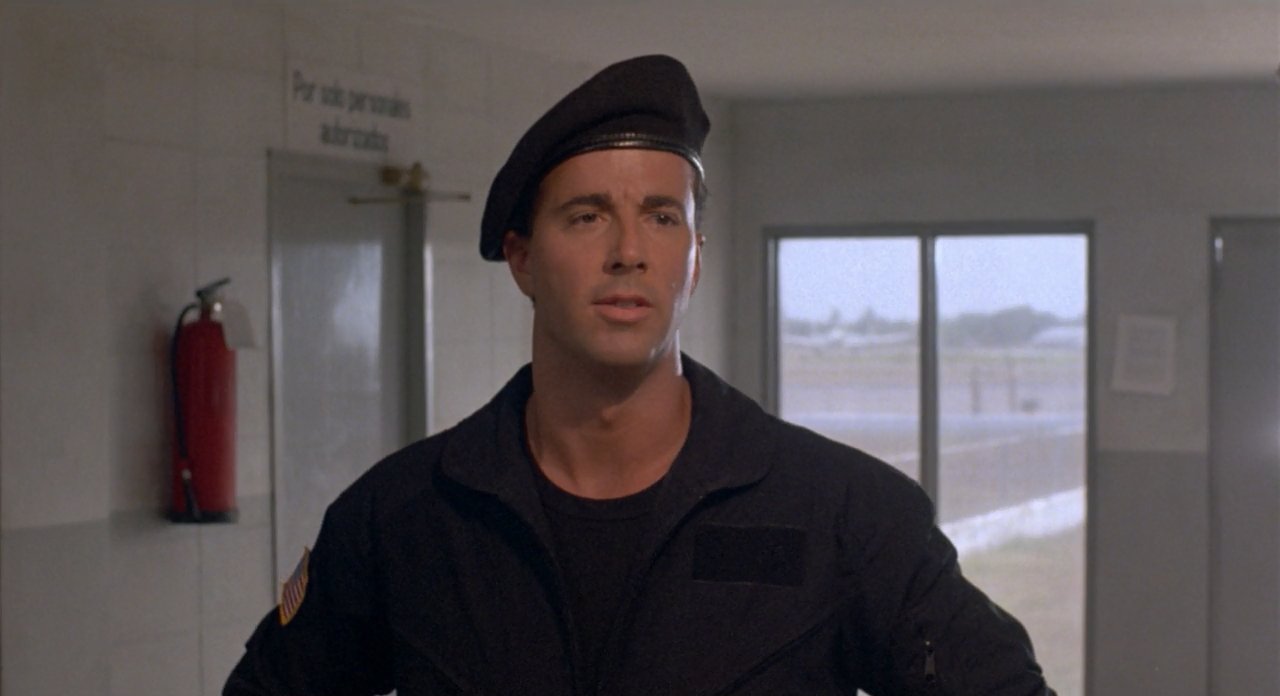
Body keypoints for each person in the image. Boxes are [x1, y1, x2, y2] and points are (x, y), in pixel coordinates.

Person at [225, 54, 1055, 695]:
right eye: (587, 216)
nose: (629, 251)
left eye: (661, 217)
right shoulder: (406, 518)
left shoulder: (842, 513)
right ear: (521, 257)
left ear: (694, 257)